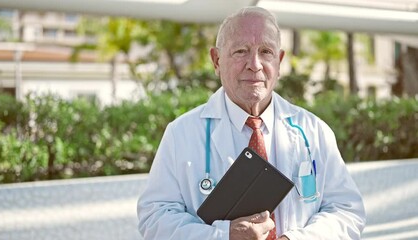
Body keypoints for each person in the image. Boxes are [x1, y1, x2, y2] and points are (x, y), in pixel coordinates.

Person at [137, 6, 365, 240]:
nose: (254, 64)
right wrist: (225, 236)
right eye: (241, 51)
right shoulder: (181, 134)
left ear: (280, 61)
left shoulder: (314, 131)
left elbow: (346, 211)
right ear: (216, 60)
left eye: (266, 51)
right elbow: (155, 218)